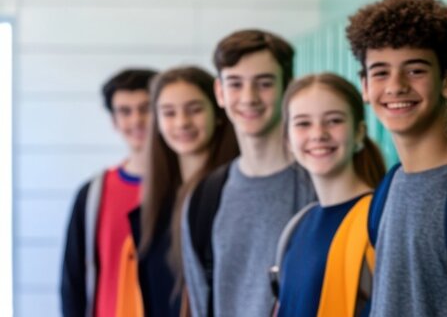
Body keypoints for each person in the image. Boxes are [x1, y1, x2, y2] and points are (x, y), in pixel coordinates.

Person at [345, 0, 447, 317]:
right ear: (364, 86)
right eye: (379, 72)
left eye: (415, 70)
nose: (395, 86)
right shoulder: (386, 189)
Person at [181, 30, 316, 317]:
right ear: (219, 92)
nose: (249, 97)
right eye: (235, 83)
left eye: (264, 83)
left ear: (287, 89)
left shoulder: (319, 186)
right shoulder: (205, 198)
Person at [273, 73, 386, 316]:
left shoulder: (378, 221)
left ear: (359, 133)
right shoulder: (297, 226)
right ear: (288, 141)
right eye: (303, 123)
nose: (318, 134)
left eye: (334, 120)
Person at [135, 66, 238, 317]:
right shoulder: (157, 200)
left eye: (195, 109)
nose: (182, 122)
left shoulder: (231, 193)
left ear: (218, 112)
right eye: (169, 113)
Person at [60, 68, 156, 317]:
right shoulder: (92, 194)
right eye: (125, 111)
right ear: (114, 121)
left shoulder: (186, 190)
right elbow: (73, 281)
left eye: (146, 108)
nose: (137, 120)